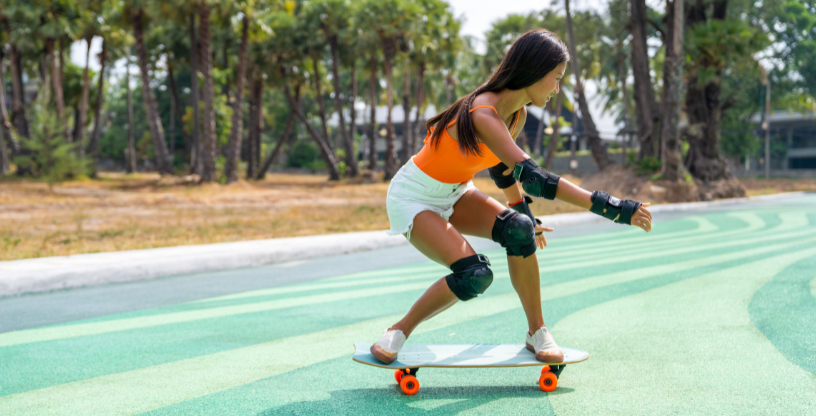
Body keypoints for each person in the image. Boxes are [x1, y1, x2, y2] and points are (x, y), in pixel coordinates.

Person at [370, 29, 652, 364]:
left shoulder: (514, 113)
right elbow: (535, 179)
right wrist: (615, 208)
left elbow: (502, 170)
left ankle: (537, 331)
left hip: (456, 192)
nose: (557, 89)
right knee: (474, 275)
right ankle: (399, 330)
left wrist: (524, 213)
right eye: (555, 78)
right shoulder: (483, 113)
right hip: (414, 197)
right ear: (534, 71)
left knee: (519, 229)